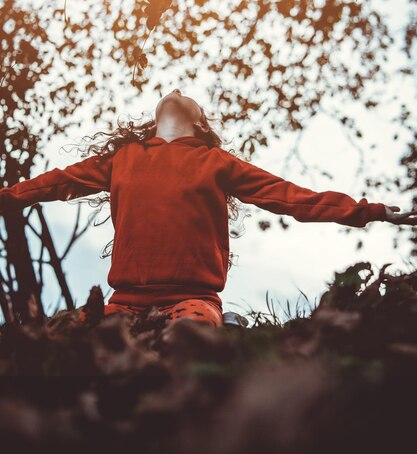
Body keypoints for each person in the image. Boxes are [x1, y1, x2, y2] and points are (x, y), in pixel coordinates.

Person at [1, 88, 416, 328]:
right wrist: (6, 198)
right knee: (60, 333)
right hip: (122, 300)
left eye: (190, 97)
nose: (178, 90)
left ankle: (227, 328)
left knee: (187, 338)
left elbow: (290, 196)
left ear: (200, 123)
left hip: (193, 299)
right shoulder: (122, 159)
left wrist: (369, 211)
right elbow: (56, 183)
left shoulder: (217, 163)